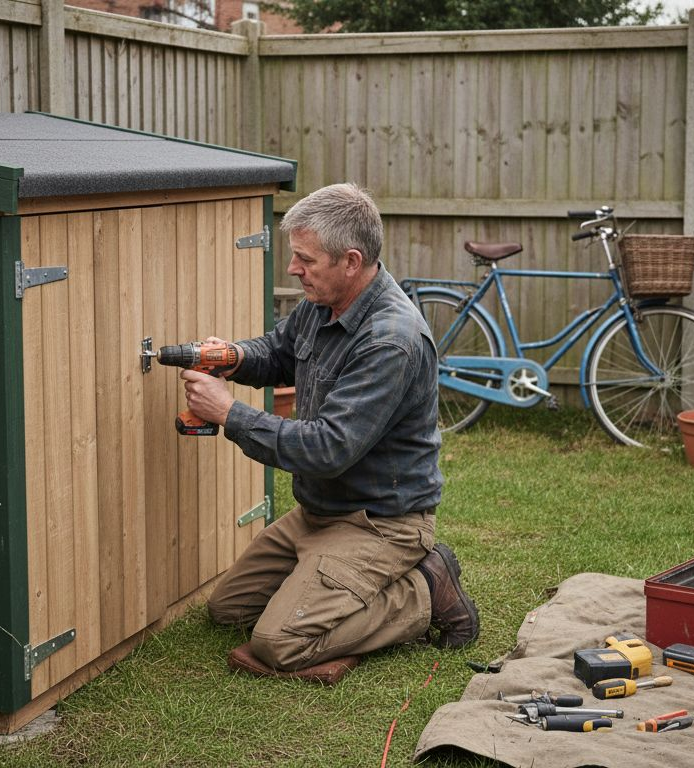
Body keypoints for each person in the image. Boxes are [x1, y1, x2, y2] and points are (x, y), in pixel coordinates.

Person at [179, 183, 479, 671]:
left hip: (379, 523)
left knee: (278, 644)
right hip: (317, 513)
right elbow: (278, 351)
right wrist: (233, 356)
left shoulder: (391, 341)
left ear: (351, 261)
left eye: (305, 259)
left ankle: (425, 591)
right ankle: (325, 580)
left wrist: (228, 413)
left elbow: (327, 449)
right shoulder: (322, 304)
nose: (294, 269)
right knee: (228, 609)